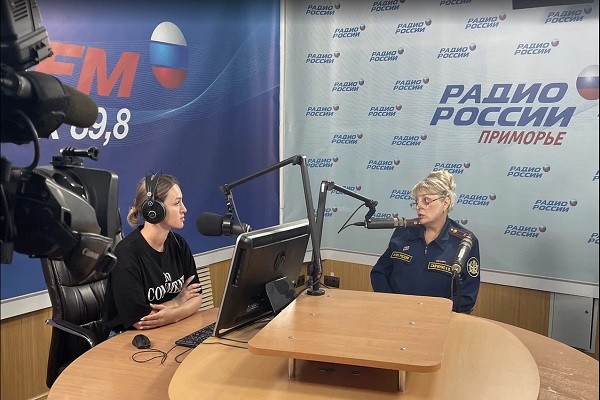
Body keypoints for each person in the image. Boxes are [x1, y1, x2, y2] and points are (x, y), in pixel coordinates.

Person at [104, 173, 203, 333]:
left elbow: (196, 298)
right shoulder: (127, 254)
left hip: (169, 328)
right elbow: (141, 320)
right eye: (177, 203)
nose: (184, 209)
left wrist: (172, 315)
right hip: (129, 337)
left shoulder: (179, 244)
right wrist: (178, 301)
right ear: (155, 210)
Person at [370, 170, 480, 313]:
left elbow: (466, 297)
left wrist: (430, 312)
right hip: (395, 313)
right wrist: (392, 303)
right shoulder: (403, 232)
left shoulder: (464, 242)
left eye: (426, 201)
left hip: (437, 319)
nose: (419, 206)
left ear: (445, 203)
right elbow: (379, 273)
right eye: (417, 201)